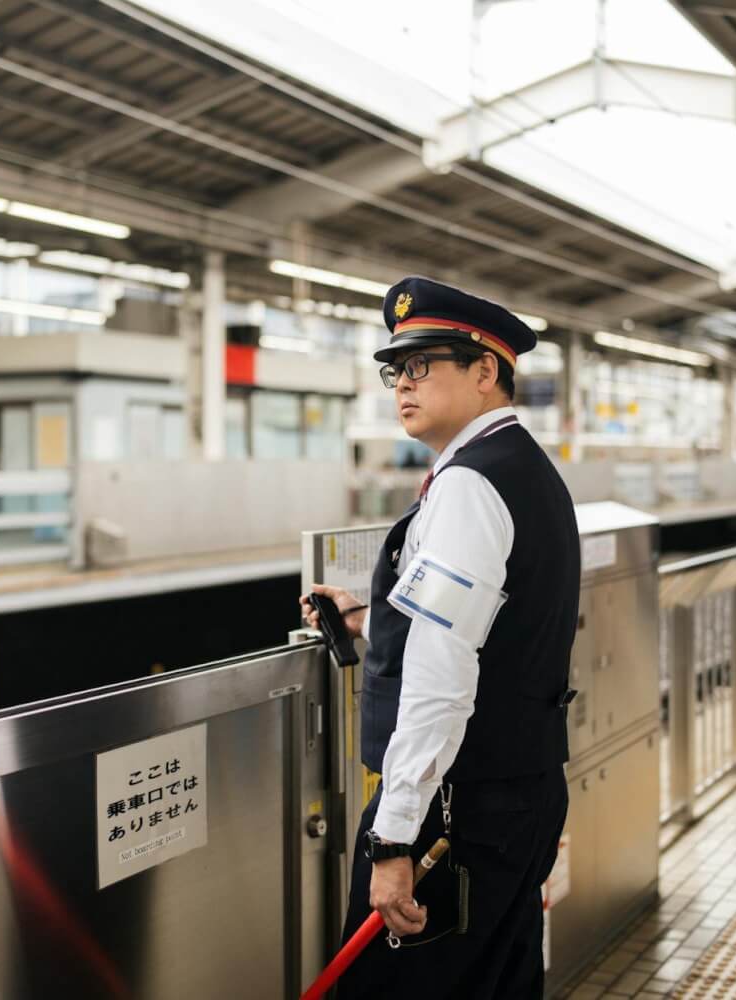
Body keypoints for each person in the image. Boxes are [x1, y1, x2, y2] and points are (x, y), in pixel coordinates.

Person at [300, 276, 579, 998]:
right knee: (499, 980)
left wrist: (393, 838)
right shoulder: (522, 469)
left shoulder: (469, 486)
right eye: (396, 370)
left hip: (454, 812)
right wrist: (375, 618)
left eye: (424, 365)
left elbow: (441, 675)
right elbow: (483, 623)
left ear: (487, 371)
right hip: (518, 790)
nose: (403, 385)